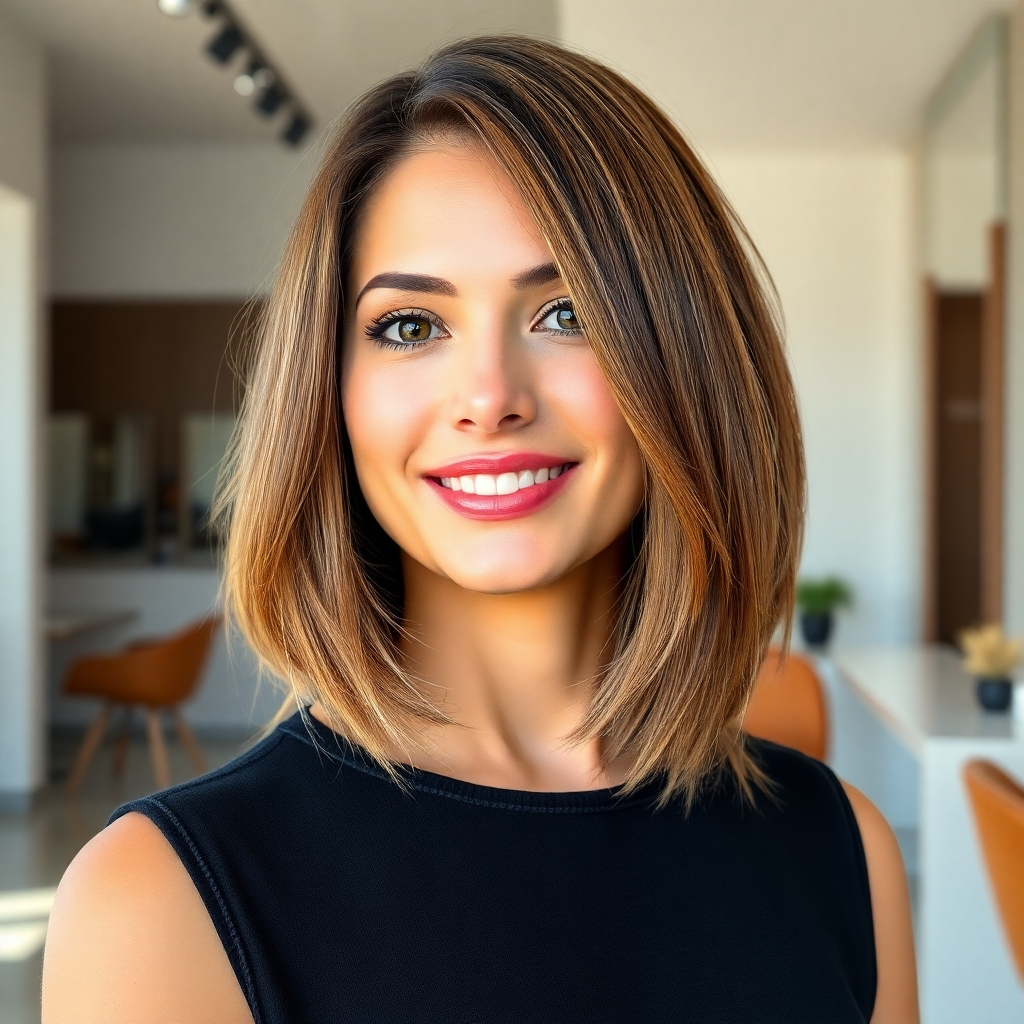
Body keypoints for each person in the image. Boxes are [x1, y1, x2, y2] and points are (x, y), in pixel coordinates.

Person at [42, 35, 918, 1024]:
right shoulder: (159, 904)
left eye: (566, 312)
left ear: (685, 357)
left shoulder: (842, 849)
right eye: (410, 326)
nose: (489, 397)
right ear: (328, 394)